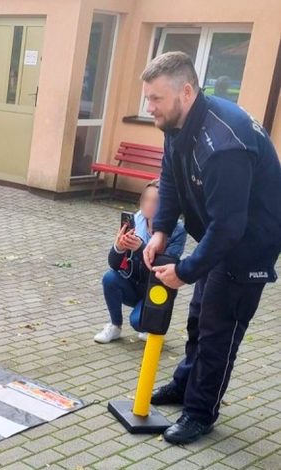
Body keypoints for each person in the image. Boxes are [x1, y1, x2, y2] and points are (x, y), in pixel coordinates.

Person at [140, 51, 281, 444]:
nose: (149, 108)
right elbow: (169, 176)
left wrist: (185, 271)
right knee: (200, 319)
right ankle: (185, 386)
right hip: (222, 237)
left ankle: (201, 413)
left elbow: (230, 227)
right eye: (146, 98)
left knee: (219, 331)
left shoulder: (222, 145)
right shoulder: (179, 125)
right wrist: (161, 230)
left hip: (248, 246)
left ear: (185, 92)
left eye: (156, 99)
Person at [94, 180, 186, 344]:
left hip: (156, 288)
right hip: (133, 282)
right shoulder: (134, 221)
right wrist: (119, 247)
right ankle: (115, 326)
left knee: (137, 323)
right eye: (145, 199)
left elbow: (162, 270)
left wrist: (140, 248)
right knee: (109, 278)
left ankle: (149, 321)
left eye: (155, 201)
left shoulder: (177, 231)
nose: (148, 205)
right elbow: (114, 265)